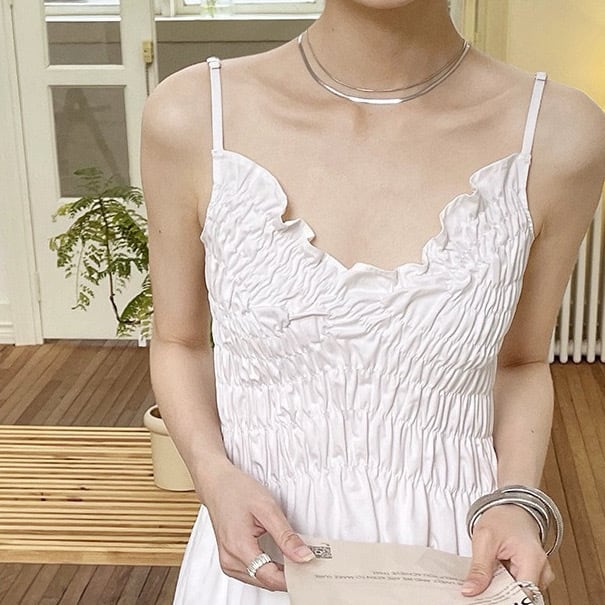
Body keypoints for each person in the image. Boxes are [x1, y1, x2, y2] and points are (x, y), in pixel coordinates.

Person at [140, 0, 605, 603]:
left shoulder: (559, 132)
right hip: (260, 551)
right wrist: (212, 474)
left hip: (455, 558)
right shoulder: (193, 115)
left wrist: (516, 500)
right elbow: (178, 341)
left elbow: (521, 362)